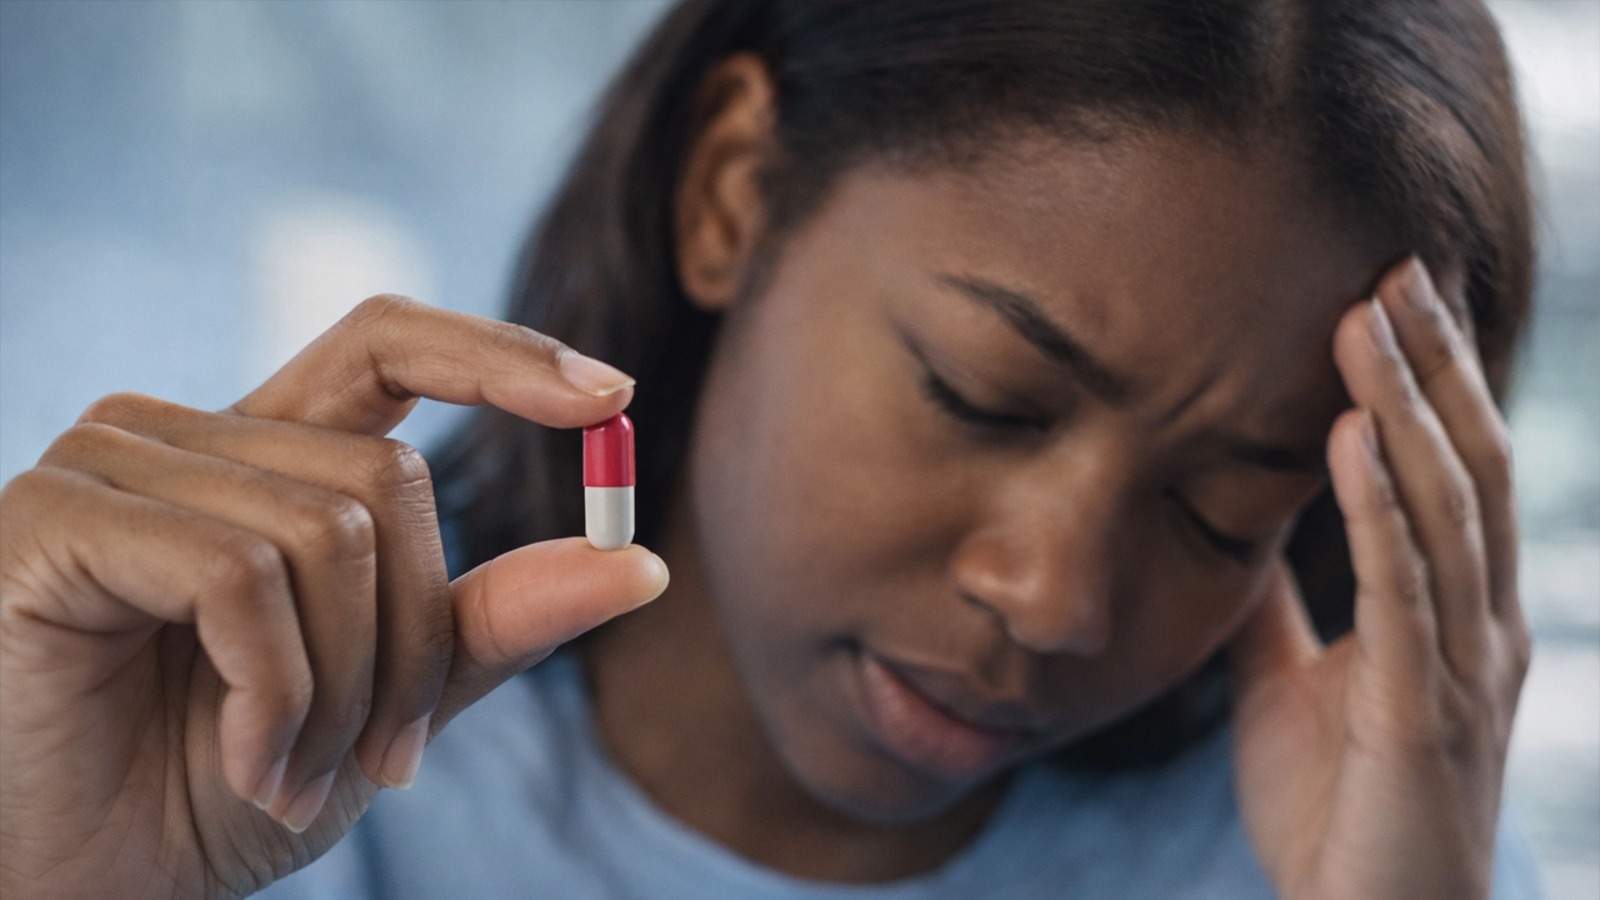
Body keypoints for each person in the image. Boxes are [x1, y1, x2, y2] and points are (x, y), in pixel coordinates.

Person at [0, 0, 1544, 896]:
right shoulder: (230, 747)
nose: (1054, 598)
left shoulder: (1367, 842)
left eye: (1224, 513)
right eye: (981, 394)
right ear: (734, 188)